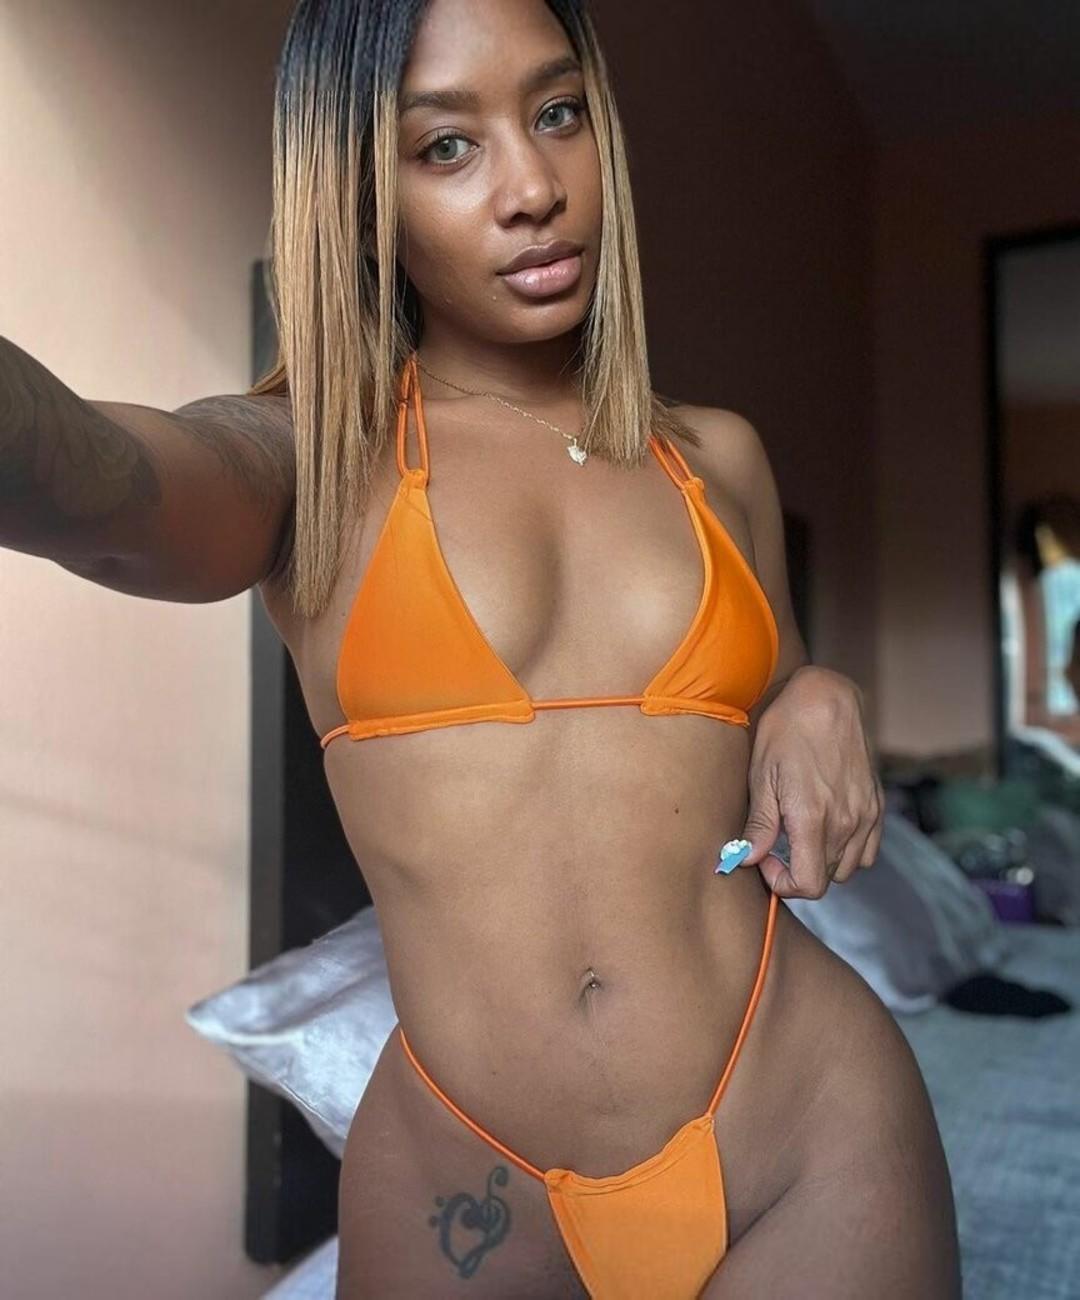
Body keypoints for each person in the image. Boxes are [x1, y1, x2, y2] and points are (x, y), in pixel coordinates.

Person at [1, 1, 960, 1295]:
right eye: (446, 146)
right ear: (362, 194)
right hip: (470, 1194)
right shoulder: (309, 462)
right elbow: (94, 485)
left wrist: (823, 691)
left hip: (807, 1129)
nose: (533, 188)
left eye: (557, 113)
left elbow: (775, 684)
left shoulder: (718, 458)